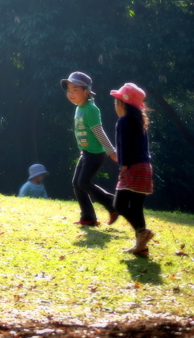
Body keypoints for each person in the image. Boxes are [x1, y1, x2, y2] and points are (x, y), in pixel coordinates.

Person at [62, 71, 118, 226]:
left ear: (86, 92)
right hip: (86, 152)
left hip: (95, 154)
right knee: (77, 183)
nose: (71, 93)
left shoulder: (91, 109)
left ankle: (113, 204)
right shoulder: (79, 107)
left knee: (84, 182)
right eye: (69, 90)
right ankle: (88, 217)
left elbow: (99, 131)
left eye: (75, 90)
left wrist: (111, 151)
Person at [110, 83, 155, 256]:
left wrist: (124, 167)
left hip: (132, 166)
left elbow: (124, 147)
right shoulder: (140, 122)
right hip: (145, 166)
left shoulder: (123, 121)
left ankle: (142, 232)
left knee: (119, 204)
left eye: (116, 102)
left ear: (122, 104)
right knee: (136, 207)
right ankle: (141, 246)